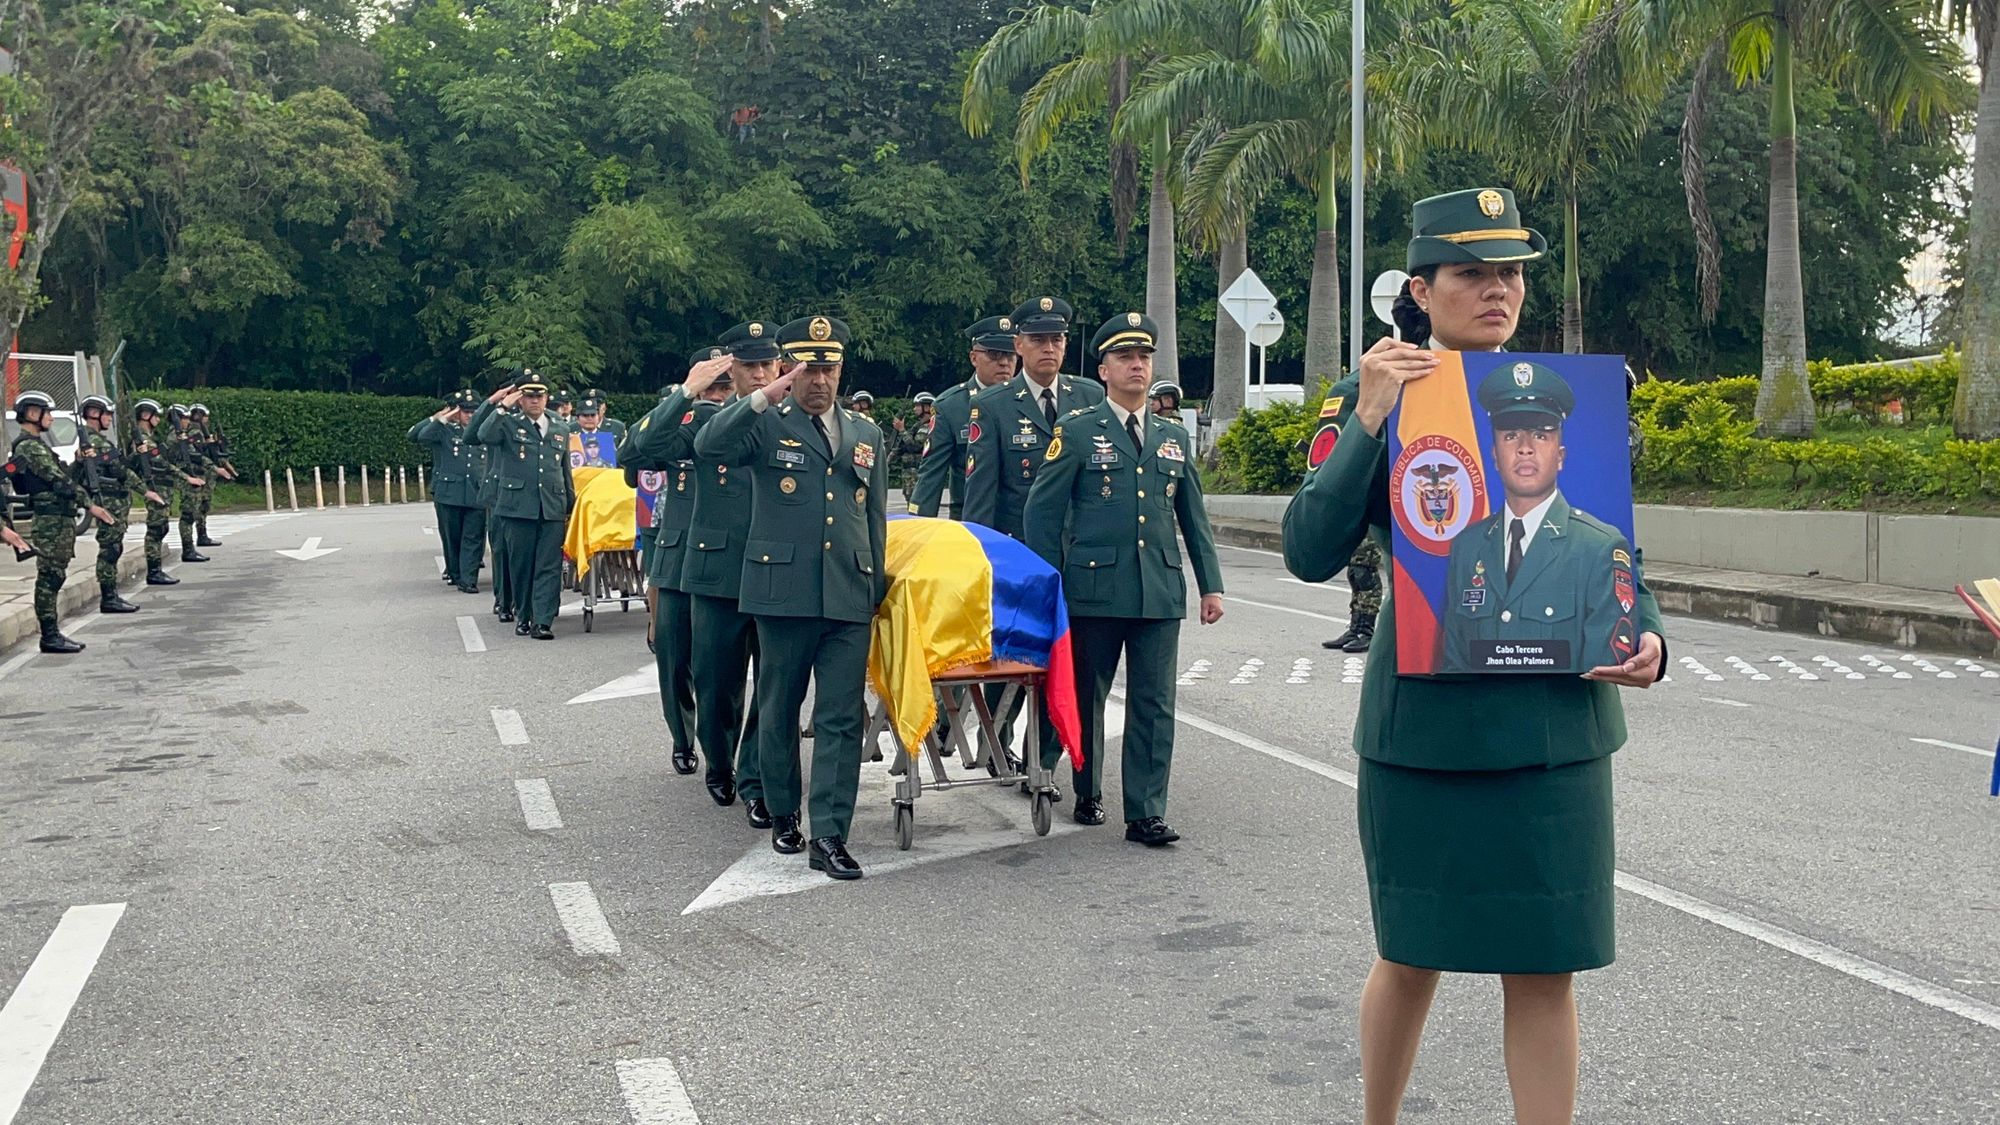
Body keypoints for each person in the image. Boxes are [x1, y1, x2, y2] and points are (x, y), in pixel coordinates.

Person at [1279, 187, 1665, 1125]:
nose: (1497, 291)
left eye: (1511, 274)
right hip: (1428, 737)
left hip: (1552, 738)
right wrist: (1368, 418)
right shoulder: (1376, 392)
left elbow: (1610, 542)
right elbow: (1307, 548)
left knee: (1544, 969)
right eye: (1472, 273)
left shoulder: (1564, 388)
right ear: (1421, 288)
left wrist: (1646, 632)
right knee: (1410, 955)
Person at [694, 315, 888, 881]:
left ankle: (829, 832)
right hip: (782, 592)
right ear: (788, 370)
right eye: (806, 369)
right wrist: (759, 398)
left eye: (828, 368)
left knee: (839, 718)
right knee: (778, 708)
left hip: (847, 591)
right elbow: (709, 444)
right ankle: (783, 811)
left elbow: (872, 515)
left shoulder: (865, 432)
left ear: (841, 370)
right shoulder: (764, 424)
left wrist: (872, 585)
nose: (819, 380)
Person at [1023, 313, 1225, 841]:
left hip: (1158, 588)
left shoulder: (1172, 435)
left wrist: (1211, 585)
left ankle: (1146, 811)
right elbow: (1041, 515)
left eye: (1144, 357)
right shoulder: (1079, 431)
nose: (1137, 366)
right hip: (1093, 589)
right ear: (1104, 370)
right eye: (1125, 358)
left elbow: (1193, 517)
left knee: (1155, 704)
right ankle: (1087, 792)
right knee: (1089, 696)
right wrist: (1050, 583)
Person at [963, 296, 1105, 777]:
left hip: (1082, 556)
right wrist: (982, 560)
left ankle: (1042, 760)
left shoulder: (1089, 398)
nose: (1049, 348)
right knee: (1015, 660)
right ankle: (998, 739)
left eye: (1057, 339)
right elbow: (980, 495)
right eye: (1039, 340)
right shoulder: (993, 407)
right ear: (1019, 345)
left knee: (1069, 662)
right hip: (1018, 556)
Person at [1441, 362, 1640, 674]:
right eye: (1510, 435)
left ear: (1560, 456)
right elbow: (1454, 659)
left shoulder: (1598, 548)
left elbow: (1603, 670)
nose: (1525, 449)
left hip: (1560, 721)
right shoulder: (1468, 547)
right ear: (1494, 455)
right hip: (1478, 717)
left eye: (1539, 435)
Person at [679, 321, 782, 829]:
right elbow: (635, 453)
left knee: (773, 686)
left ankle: (757, 778)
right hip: (719, 573)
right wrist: (686, 391)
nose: (760, 374)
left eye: (768, 364)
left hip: (778, 575)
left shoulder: (792, 421)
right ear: (733, 372)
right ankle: (719, 760)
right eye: (749, 367)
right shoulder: (705, 419)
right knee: (716, 684)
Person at [628, 347, 736, 796]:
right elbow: (635, 449)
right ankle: (681, 736)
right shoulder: (682, 424)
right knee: (673, 658)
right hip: (675, 557)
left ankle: (723, 756)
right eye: (710, 385)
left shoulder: (747, 422)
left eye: (723, 385)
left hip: (723, 559)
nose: (716, 394)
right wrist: (684, 396)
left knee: (719, 670)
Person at [4, 391, 109, 653]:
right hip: (49, 520)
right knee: (50, 576)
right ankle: (49, 635)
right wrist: (90, 505)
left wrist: (79, 462)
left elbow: (63, 476)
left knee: (57, 573)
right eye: (46, 412)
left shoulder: (40, 445)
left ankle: (53, 633)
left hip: (59, 518)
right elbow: (57, 480)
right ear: (31, 414)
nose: (50, 417)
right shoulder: (28, 446)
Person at [474, 373, 576, 639]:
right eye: (528, 395)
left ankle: (542, 620)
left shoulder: (560, 426)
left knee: (549, 566)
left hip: (551, 505)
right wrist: (503, 405)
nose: (534, 401)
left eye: (539, 396)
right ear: (521, 399)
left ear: (546, 398)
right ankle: (524, 613)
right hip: (517, 506)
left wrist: (570, 504)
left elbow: (564, 469)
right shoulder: (507, 423)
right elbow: (482, 434)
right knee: (521, 565)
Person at [909, 315, 1017, 519]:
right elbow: (931, 476)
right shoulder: (950, 406)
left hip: (1020, 523)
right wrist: (918, 526)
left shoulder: (1032, 402)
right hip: (970, 519)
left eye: (1010, 355)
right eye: (994, 354)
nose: (1004, 363)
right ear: (974, 358)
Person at [1304, 379, 1384, 653]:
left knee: (1364, 571)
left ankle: (1366, 628)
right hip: (1353, 508)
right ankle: (1356, 625)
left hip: (1370, 512)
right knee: (1355, 570)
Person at [74, 396, 154, 614]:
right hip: (107, 501)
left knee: (113, 548)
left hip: (113, 500)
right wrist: (145, 490)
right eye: (106, 414)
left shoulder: (98, 442)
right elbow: (119, 471)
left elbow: (120, 465)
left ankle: (111, 595)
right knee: (110, 550)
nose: (109, 418)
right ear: (93, 414)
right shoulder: (95, 443)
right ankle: (109, 597)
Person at [409, 390, 488, 594]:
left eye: (474, 411)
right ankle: (454, 572)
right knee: (452, 536)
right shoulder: (445, 430)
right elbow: (419, 436)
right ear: (457, 412)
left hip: (476, 492)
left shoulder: (485, 431)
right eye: (465, 411)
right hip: (449, 492)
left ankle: (468, 579)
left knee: (473, 537)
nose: (470, 415)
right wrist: (441, 417)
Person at [129, 400, 190, 586]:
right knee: (156, 529)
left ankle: (156, 569)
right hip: (155, 486)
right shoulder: (142, 439)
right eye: (155, 415)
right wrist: (186, 477)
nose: (158, 419)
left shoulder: (149, 437)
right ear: (146, 415)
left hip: (162, 485)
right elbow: (160, 462)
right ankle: (154, 571)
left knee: (161, 526)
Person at [160, 405, 212, 563]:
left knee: (193, 511)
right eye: (184, 418)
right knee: (188, 514)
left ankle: (190, 547)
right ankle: (188, 549)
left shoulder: (182, 436)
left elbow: (195, 453)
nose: (187, 421)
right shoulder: (172, 437)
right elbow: (171, 457)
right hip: (183, 477)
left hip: (192, 474)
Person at [185, 404, 233, 547]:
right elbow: (198, 454)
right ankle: (201, 535)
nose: (207, 419)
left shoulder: (200, 432)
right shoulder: (195, 432)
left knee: (203, 505)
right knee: (202, 505)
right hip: (201, 472)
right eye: (205, 416)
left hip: (205, 471)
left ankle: (202, 534)